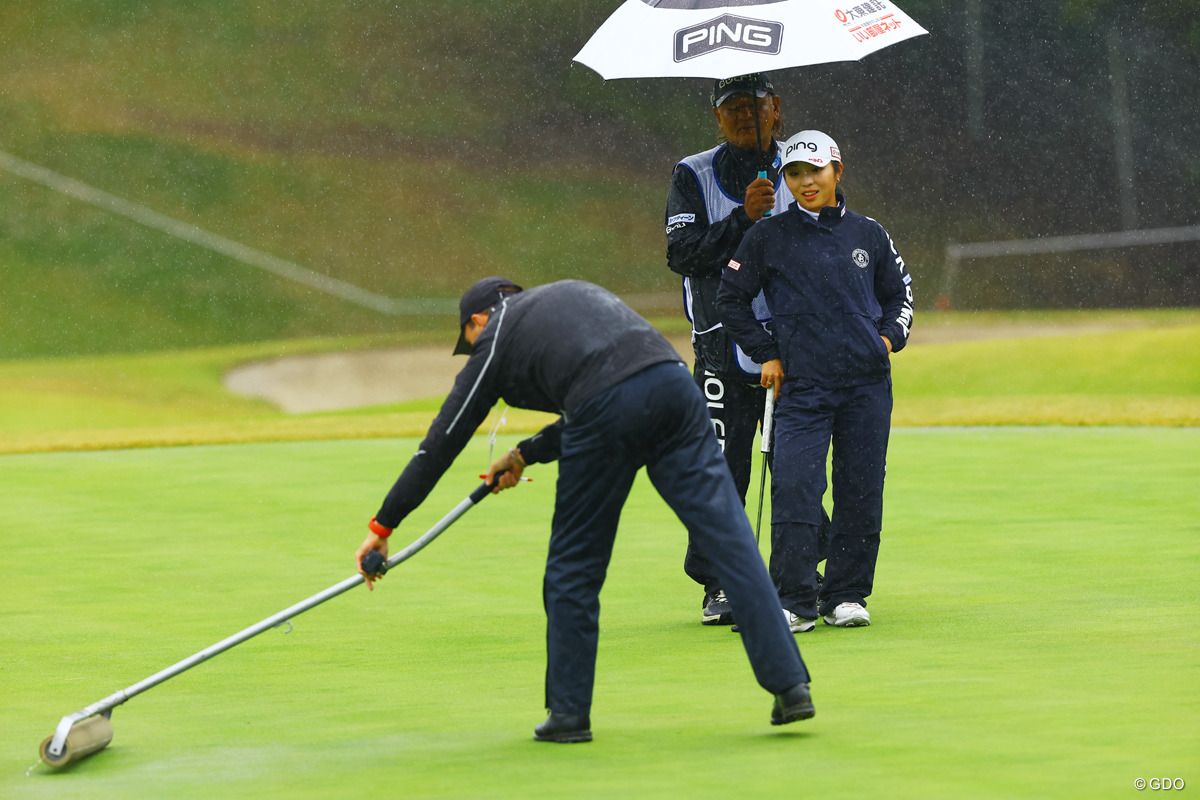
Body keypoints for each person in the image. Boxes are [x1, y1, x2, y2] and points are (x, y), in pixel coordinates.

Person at [355, 277, 815, 743]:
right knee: (729, 542)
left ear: (478, 320)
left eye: (467, 341)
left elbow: (443, 440)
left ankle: (569, 714)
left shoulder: (497, 334)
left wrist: (383, 524)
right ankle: (790, 685)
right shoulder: (568, 298)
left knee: (573, 568)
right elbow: (613, 384)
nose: (472, 350)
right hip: (676, 387)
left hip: (609, 407)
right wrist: (524, 454)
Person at [717, 130, 915, 631]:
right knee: (795, 486)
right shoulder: (767, 234)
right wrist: (765, 353)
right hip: (801, 384)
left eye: (815, 171)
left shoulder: (869, 233)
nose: (806, 182)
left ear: (837, 171)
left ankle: (845, 593)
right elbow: (730, 299)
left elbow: (900, 296)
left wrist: (886, 340)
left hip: (866, 384)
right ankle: (795, 599)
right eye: (795, 173)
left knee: (861, 489)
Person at [665, 73, 828, 627]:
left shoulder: (803, 167)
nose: (743, 115)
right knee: (721, 471)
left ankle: (801, 572)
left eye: (753, 104)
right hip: (720, 347)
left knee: (797, 467)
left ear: (776, 108)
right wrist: (742, 219)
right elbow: (682, 254)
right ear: (717, 117)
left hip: (793, 346)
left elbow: (832, 238)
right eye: (730, 107)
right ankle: (721, 582)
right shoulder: (693, 174)